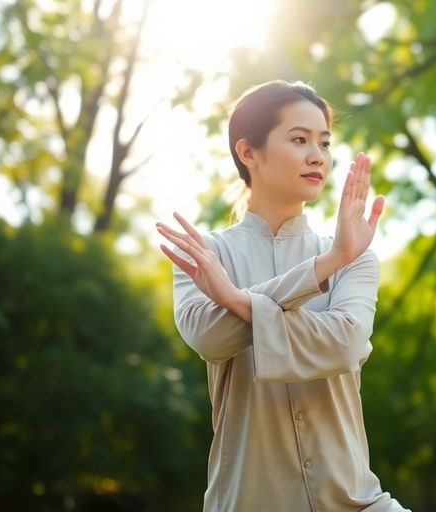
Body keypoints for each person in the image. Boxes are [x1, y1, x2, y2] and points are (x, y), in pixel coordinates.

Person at [155, 80, 409, 512]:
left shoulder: (355, 257)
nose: (318, 155)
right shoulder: (205, 254)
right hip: (248, 500)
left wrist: (237, 300)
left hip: (356, 502)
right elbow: (210, 340)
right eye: (299, 139)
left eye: (324, 143)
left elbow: (344, 344)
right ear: (248, 152)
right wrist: (322, 268)